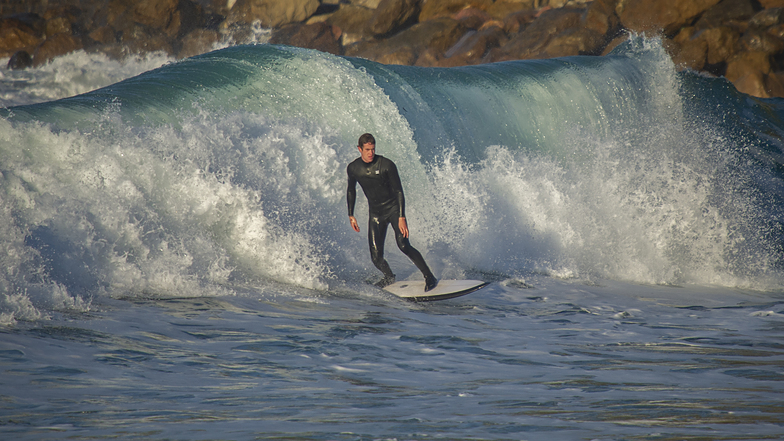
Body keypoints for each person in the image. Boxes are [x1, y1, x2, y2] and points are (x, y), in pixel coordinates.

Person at [347, 133, 438, 291]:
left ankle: (429, 277)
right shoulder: (354, 168)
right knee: (376, 257)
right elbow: (351, 190)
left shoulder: (386, 165)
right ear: (359, 149)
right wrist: (351, 214)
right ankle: (389, 277)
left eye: (373, 149)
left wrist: (402, 216)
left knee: (403, 245)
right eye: (367, 150)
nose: (371, 153)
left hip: (393, 210)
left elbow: (399, 191)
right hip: (376, 214)